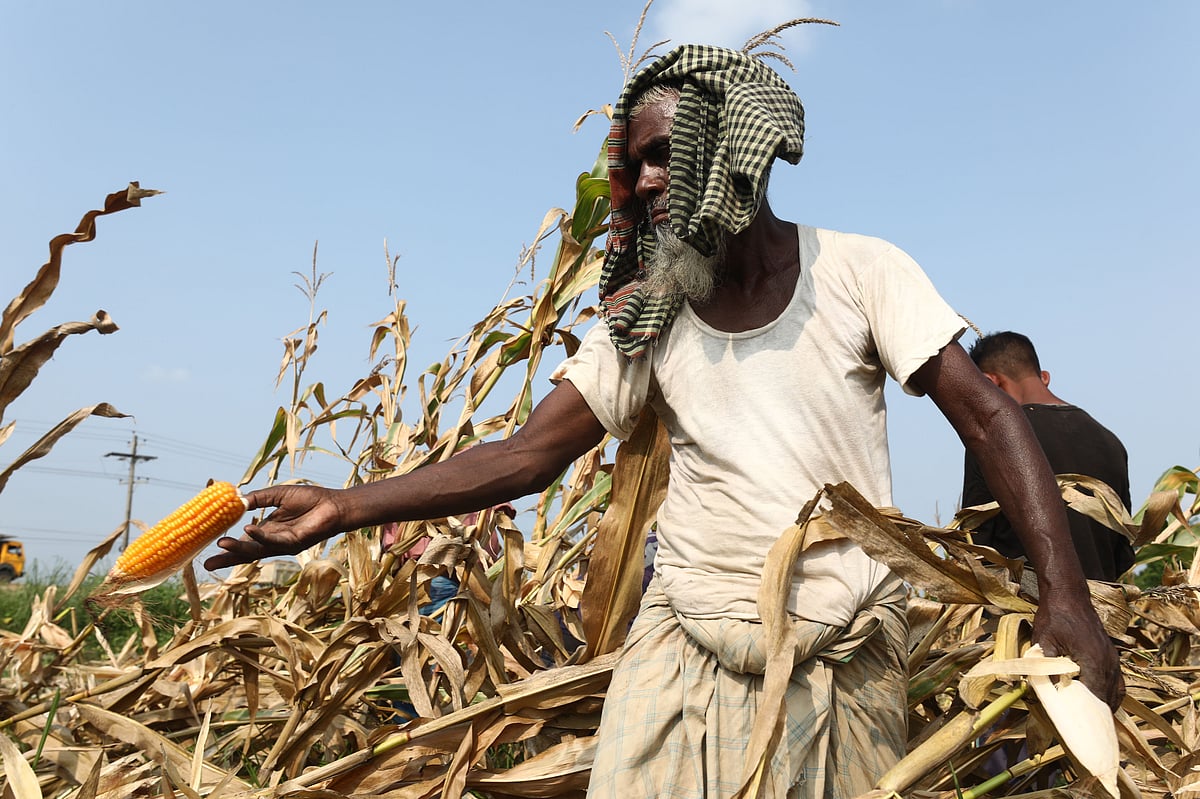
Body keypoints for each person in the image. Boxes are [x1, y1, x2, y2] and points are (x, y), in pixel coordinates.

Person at [205, 45, 1123, 798]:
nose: (640, 183)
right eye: (634, 161)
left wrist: (1065, 594)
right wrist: (345, 504)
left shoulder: (860, 273)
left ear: (733, 156)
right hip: (683, 647)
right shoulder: (651, 315)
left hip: (837, 663)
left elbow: (990, 417)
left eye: (662, 158)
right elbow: (529, 455)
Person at [962, 331, 1135, 581]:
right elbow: (1123, 552)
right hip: (1102, 611)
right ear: (1044, 377)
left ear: (991, 383)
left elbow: (974, 545)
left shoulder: (993, 438)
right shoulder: (1110, 441)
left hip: (1023, 614)